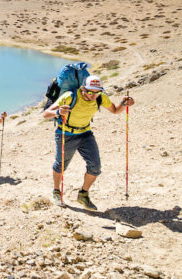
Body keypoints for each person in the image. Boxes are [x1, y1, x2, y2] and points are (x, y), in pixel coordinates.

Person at [42, 75, 135, 210]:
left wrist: (123, 104)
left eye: (97, 92)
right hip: (66, 134)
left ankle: (83, 195)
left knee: (95, 167)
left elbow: (115, 110)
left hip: (85, 134)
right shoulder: (70, 96)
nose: (94, 95)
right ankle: (56, 191)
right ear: (83, 89)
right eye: (90, 92)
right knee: (61, 165)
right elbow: (46, 114)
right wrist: (58, 112)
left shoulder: (101, 97)